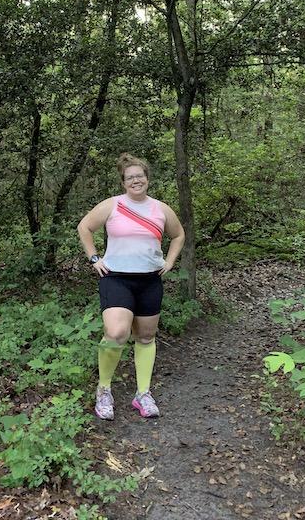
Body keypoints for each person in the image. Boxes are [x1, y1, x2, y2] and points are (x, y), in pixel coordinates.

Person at [77, 152, 185, 420]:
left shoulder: (161, 209)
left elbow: (179, 235)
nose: (136, 181)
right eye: (130, 178)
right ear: (123, 182)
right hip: (116, 278)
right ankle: (104, 389)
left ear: (147, 179)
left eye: (140, 176)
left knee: (146, 337)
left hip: (149, 279)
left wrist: (169, 261)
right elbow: (84, 227)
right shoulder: (113, 205)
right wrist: (94, 258)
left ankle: (143, 394)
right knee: (116, 333)